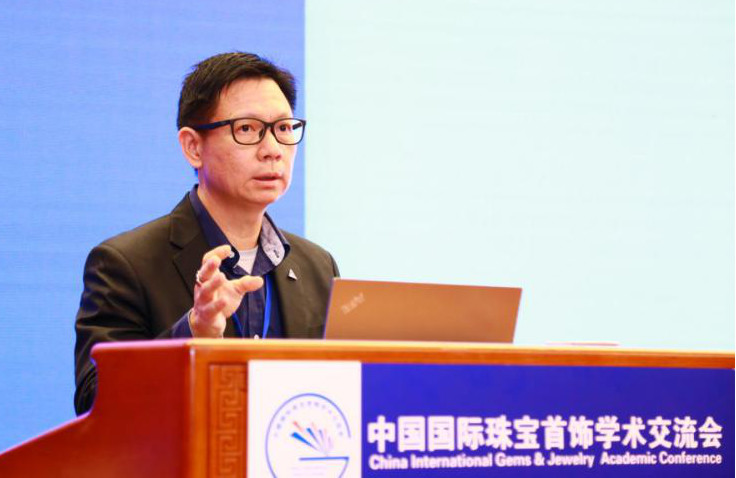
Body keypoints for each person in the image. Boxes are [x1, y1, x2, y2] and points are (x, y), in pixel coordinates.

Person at [74, 52, 338, 415]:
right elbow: (95, 403)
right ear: (193, 147)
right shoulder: (125, 264)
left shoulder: (317, 266)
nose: (273, 150)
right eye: (247, 129)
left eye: (283, 128)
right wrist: (193, 332)